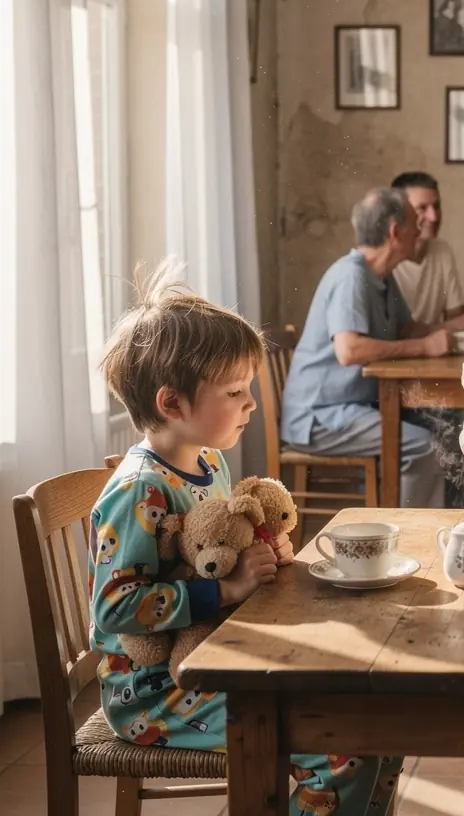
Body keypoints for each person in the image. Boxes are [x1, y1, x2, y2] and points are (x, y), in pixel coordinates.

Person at [89, 265, 403, 816]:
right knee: (343, 746)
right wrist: (224, 591)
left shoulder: (210, 464)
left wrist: (265, 554)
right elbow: (114, 608)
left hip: (221, 657)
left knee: (379, 722)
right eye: (235, 392)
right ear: (172, 404)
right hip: (155, 692)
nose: (252, 403)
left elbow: (221, 549)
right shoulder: (139, 491)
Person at [280, 188, 450, 508]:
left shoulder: (382, 276)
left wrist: (452, 330)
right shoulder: (350, 276)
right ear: (395, 232)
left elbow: (406, 328)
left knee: (447, 424)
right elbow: (350, 351)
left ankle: (442, 521)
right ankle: (413, 529)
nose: (420, 230)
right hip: (319, 417)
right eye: (414, 223)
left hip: (353, 408)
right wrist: (424, 347)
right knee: (426, 445)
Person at [391, 172, 464, 333]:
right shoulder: (386, 259)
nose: (434, 217)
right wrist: (456, 325)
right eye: (422, 208)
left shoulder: (442, 250)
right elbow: (394, 335)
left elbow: (457, 317)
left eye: (436, 206)